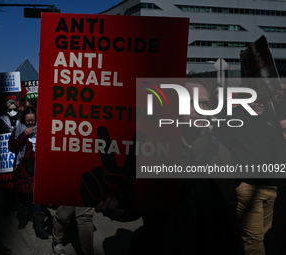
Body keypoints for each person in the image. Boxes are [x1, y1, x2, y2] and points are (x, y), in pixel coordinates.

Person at [95, 77, 243, 254]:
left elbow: (230, 207)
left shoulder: (220, 151)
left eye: (206, 103)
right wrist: (120, 211)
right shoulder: (153, 150)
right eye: (191, 102)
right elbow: (141, 204)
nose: (200, 109)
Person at [212, 80, 285, 255]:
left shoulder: (269, 118)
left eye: (264, 101)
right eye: (256, 100)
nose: (260, 104)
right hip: (247, 187)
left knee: (263, 236)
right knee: (253, 241)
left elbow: (280, 148)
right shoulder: (230, 117)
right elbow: (220, 150)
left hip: (271, 188)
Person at [8, 107, 48, 239]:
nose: (30, 123)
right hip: (23, 169)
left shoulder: (42, 129)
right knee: (23, 198)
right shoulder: (19, 129)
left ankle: (39, 226)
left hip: (38, 170)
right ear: (23, 120)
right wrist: (24, 134)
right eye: (28, 120)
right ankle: (23, 219)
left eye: (33, 120)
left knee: (37, 200)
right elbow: (12, 147)